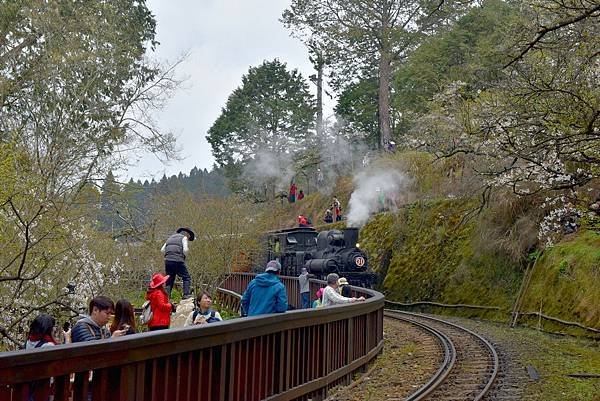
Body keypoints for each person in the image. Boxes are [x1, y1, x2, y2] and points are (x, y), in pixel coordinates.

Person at [161, 227, 195, 299]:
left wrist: (169, 255)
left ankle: (167, 296)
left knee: (170, 278)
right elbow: (185, 250)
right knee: (186, 277)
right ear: (187, 234)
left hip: (167, 261)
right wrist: (183, 257)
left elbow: (162, 250)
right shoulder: (184, 238)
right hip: (178, 260)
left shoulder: (169, 238)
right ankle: (186, 294)